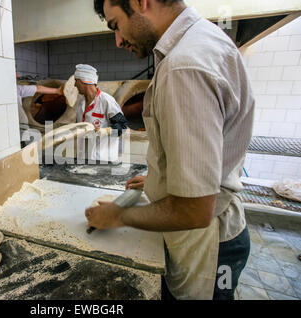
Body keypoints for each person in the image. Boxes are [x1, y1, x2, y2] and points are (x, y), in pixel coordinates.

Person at [86, 0, 255, 300]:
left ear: (140, 2)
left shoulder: (183, 67)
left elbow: (195, 209)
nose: (118, 40)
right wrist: (158, 180)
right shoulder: (205, 39)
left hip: (210, 243)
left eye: (116, 25)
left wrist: (118, 216)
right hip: (222, 231)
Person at [73, 64, 128, 162]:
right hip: (84, 157)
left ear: (84, 81)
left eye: (76, 81)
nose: (74, 85)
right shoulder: (81, 103)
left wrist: (103, 131)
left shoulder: (106, 100)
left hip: (103, 159)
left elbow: (122, 126)